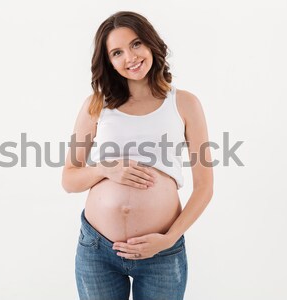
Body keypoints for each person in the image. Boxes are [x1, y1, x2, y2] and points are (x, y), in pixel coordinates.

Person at [62, 11, 214, 300]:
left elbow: (205, 187)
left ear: (151, 44)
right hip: (98, 251)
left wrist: (168, 238)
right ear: (108, 62)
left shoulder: (185, 104)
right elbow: (69, 179)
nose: (130, 57)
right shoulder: (97, 105)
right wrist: (106, 169)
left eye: (135, 44)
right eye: (117, 52)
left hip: (161, 252)